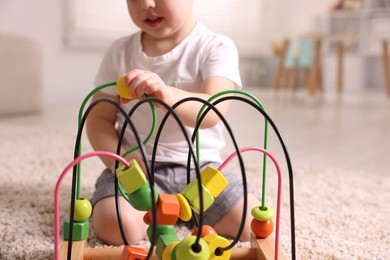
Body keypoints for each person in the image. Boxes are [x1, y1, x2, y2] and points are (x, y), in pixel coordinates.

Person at [86, 0, 260, 246]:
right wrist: (120, 161)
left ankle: (184, 210)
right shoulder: (120, 51)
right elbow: (99, 118)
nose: (146, 4)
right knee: (114, 226)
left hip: (201, 169)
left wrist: (168, 95)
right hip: (137, 168)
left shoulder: (215, 46)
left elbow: (212, 111)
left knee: (249, 225)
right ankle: (161, 213)